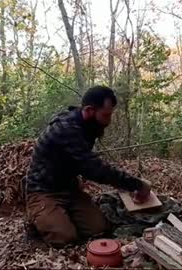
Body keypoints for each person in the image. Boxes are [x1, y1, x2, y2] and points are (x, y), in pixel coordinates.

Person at [24, 85, 151, 248]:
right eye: (106, 115)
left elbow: (86, 164)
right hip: (43, 191)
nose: (109, 121)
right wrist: (137, 185)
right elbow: (95, 169)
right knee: (64, 238)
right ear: (90, 110)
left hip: (70, 189)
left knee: (98, 229)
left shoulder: (88, 126)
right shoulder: (67, 129)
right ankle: (37, 217)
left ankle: (61, 215)